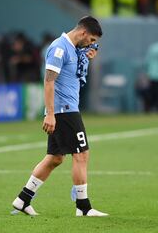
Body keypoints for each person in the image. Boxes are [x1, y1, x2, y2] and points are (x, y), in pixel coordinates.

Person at [12, 16, 108, 217]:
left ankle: (23, 199)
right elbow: (48, 82)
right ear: (82, 33)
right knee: (81, 154)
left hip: (66, 109)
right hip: (64, 111)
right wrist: (50, 114)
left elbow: (72, 75)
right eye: (90, 40)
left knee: (55, 158)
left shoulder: (74, 49)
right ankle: (83, 207)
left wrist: (86, 57)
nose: (91, 44)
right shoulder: (59, 48)